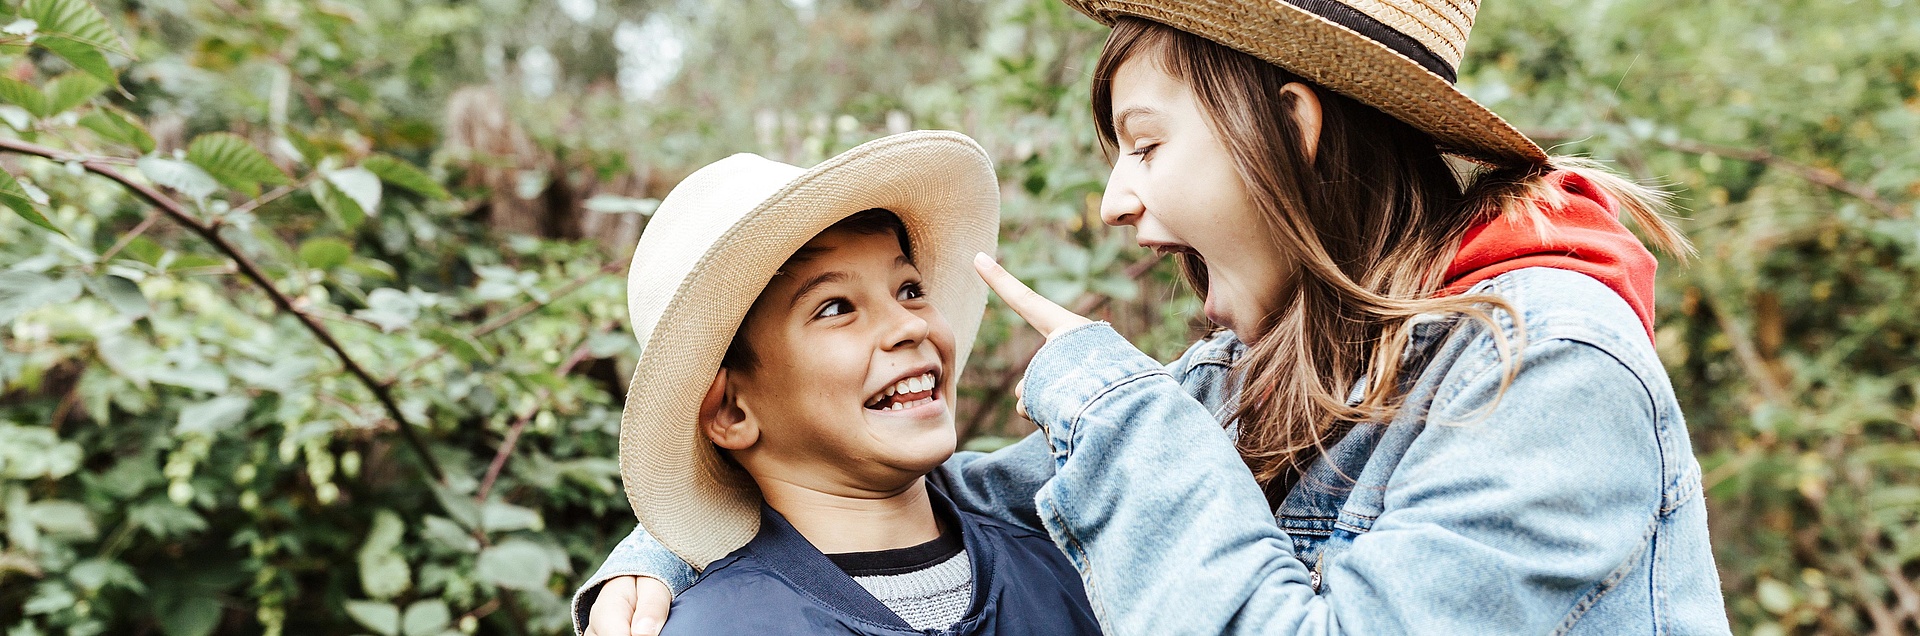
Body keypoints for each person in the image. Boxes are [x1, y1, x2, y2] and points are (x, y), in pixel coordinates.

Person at [580, 2, 1733, 634]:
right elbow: (937, 496)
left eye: (1145, 143)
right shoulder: (1265, 378)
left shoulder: (1549, 375)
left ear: (1291, 125)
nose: (1115, 200)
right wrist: (678, 541)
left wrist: (1109, 402)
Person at [595, 130, 1101, 636]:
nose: (912, 324)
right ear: (731, 410)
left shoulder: (1075, 566)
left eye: (910, 289)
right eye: (836, 308)